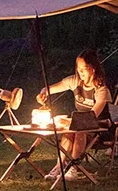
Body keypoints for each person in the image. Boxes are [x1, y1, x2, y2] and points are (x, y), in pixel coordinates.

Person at [36, 48, 112, 180]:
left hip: (99, 128)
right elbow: (51, 88)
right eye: (78, 68)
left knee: (78, 132)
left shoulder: (101, 90)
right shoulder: (75, 81)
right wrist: (44, 92)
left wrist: (70, 122)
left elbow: (91, 117)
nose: (79, 72)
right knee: (70, 132)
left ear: (92, 68)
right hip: (78, 126)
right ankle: (59, 167)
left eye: (83, 68)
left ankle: (73, 168)